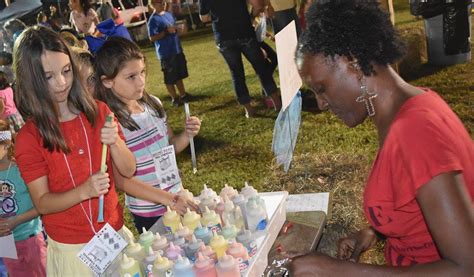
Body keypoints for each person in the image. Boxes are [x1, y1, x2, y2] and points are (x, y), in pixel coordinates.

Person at [292, 1, 473, 276]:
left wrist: (338, 271)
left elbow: (466, 266)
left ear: (352, 61)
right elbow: (420, 204)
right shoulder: (407, 108)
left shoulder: (415, 131)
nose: (321, 104)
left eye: (321, 88)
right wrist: (374, 232)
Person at [13, 26, 136, 275]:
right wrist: (84, 191)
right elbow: (43, 203)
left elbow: (129, 169)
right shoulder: (29, 138)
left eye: (66, 71)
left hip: (114, 236)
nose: (61, 83)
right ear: (31, 81)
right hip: (73, 252)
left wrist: (116, 143)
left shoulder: (100, 112)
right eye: (48, 77)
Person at [94, 37, 201, 232]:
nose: (141, 81)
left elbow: (168, 147)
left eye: (142, 72)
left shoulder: (154, 104)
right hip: (149, 212)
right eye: (131, 76)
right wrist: (169, 200)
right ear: (108, 82)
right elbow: (122, 180)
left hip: (178, 197)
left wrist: (186, 135)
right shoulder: (112, 125)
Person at [199, 0, 282, 118]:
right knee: (261, 69)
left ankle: (249, 110)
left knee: (237, 74)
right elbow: (257, 5)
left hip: (223, 36)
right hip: (244, 31)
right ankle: (277, 104)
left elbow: (204, 18)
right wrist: (251, 16)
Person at [0, 120, 46, 276]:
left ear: (6, 142)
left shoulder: (22, 169)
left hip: (29, 235)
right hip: (4, 241)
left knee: (40, 272)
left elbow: (41, 205)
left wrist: (17, 220)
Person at [148, 0, 191, 107]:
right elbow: (152, 38)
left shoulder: (168, 14)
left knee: (179, 74)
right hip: (166, 52)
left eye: (162, 2)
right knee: (170, 77)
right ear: (153, 4)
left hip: (176, 49)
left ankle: (183, 94)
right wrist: (166, 32)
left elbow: (174, 28)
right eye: (159, 3)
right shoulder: (153, 20)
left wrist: (179, 30)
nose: (162, 4)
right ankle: (174, 98)